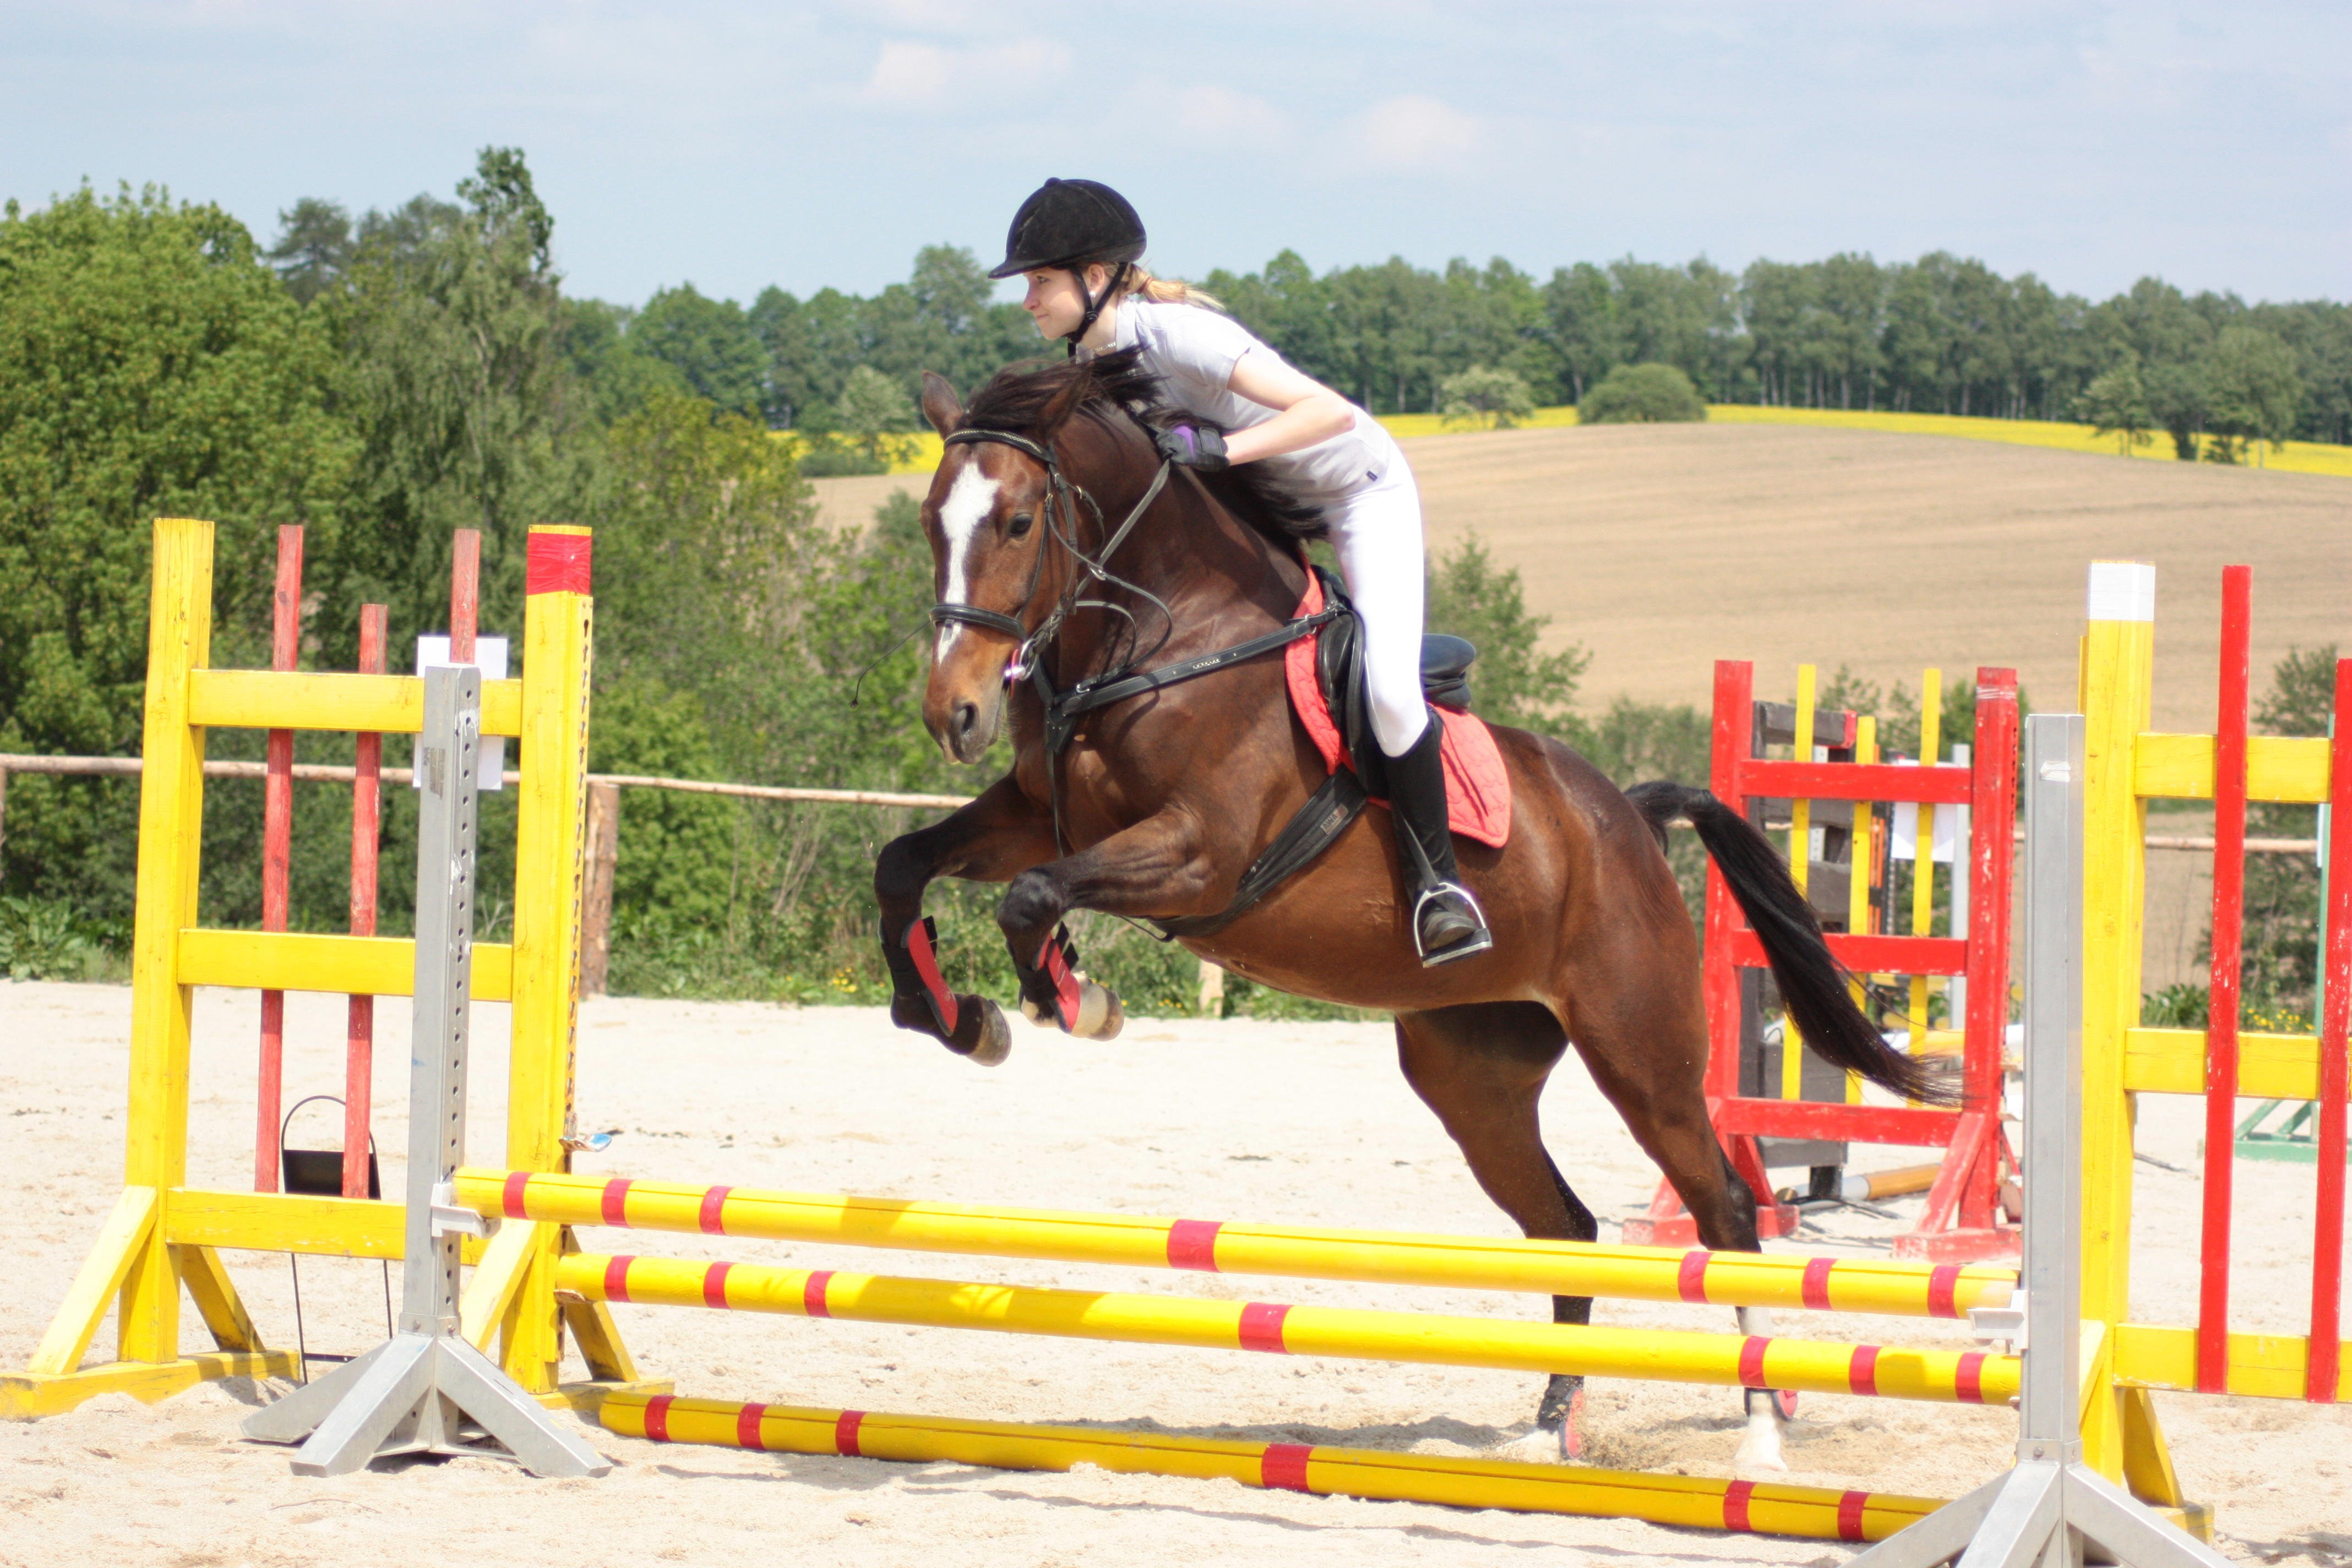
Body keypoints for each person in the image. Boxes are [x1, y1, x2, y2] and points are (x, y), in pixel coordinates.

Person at [986, 177, 1491, 966]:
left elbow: (1327, 414)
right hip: (1256, 505)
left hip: (1354, 497)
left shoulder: (1180, 335)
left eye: (1039, 281)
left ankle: (1439, 887)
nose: (1027, 300)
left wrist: (1223, 450)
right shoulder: (1090, 357)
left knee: (1390, 691)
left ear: (1095, 278)